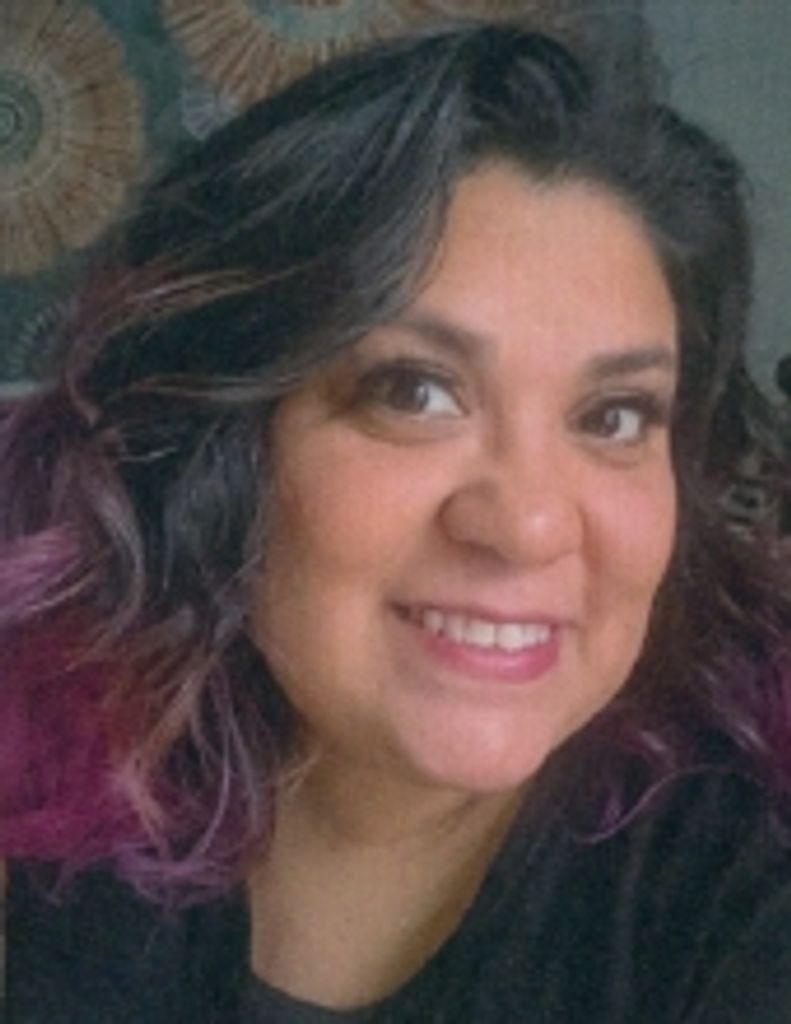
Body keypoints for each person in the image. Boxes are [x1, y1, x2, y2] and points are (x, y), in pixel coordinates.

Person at [2, 20, 791, 1023]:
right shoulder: (45, 827)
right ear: (216, 448)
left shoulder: (736, 890)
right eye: (414, 393)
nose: (528, 524)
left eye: (614, 417)